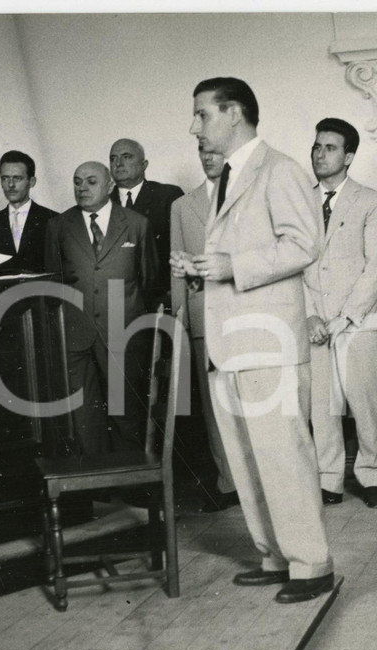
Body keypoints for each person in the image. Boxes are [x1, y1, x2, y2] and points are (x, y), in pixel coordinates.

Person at [178, 77, 333, 603]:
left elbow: (305, 244)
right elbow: (240, 256)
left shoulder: (281, 169)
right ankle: (274, 555)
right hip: (231, 342)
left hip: (267, 342)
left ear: (234, 113)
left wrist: (229, 265)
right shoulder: (226, 177)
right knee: (247, 458)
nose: (194, 126)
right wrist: (205, 269)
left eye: (202, 114)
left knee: (283, 456)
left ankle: (311, 564)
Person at [303, 117, 377, 509]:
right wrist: (309, 316)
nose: (320, 154)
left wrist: (344, 317)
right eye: (317, 147)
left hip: (359, 323)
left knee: (366, 404)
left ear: (349, 156)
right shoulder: (299, 203)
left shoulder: (371, 202)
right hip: (315, 324)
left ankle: (374, 477)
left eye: (331, 148)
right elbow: (293, 267)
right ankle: (329, 480)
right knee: (321, 408)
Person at [44, 161, 159, 454]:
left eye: (91, 181)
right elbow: (53, 282)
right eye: (77, 181)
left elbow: (149, 281)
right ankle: (98, 490)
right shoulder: (58, 226)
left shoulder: (136, 224)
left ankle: (132, 487)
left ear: (110, 186)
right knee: (84, 417)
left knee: (126, 413)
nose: (82, 187)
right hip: (75, 335)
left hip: (123, 333)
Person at [169, 149, 240, 513]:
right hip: (202, 314)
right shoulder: (182, 206)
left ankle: (260, 483)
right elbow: (177, 265)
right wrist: (181, 316)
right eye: (201, 152)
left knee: (251, 400)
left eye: (215, 151)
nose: (207, 157)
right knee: (215, 406)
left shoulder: (248, 193)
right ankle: (228, 482)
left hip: (246, 313)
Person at [110, 138, 184, 308]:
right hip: (114, 302)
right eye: (113, 158)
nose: (118, 163)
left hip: (159, 297)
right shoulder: (101, 202)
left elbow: (180, 248)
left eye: (126, 157)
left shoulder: (167, 196)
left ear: (144, 164)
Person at [0, 150, 58, 273]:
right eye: (5, 178)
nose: (10, 184)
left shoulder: (54, 220)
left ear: (32, 182)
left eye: (17, 178)